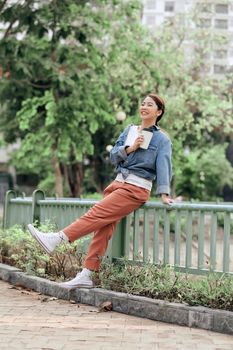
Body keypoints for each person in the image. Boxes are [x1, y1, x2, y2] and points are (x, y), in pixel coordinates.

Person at [28, 93, 173, 289]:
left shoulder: (161, 139)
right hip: (117, 184)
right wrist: (130, 148)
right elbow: (113, 156)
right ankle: (87, 274)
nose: (144, 107)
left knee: (95, 213)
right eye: (143, 103)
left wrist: (164, 194)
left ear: (159, 111)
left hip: (136, 188)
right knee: (102, 229)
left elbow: (164, 165)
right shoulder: (130, 130)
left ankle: (59, 238)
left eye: (150, 105)